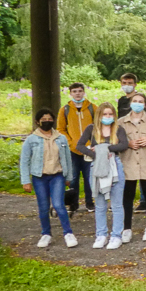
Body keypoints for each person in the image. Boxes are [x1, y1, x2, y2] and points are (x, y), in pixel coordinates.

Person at [19, 108, 78, 248]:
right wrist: (25, 180)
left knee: (58, 205)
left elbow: (68, 159)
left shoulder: (61, 138)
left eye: (49, 119)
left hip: (57, 176)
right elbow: (24, 160)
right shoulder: (31, 139)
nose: (47, 122)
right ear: (37, 121)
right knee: (44, 207)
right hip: (39, 177)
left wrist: (69, 176)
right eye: (43, 120)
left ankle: (68, 233)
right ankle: (46, 234)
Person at [76, 103, 128, 249]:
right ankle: (101, 234)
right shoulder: (91, 129)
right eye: (105, 114)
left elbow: (124, 145)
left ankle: (116, 235)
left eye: (110, 114)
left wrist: (105, 148)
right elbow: (79, 145)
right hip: (97, 166)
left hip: (114, 165)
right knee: (100, 204)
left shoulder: (118, 129)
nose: (107, 117)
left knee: (117, 204)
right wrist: (95, 153)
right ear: (99, 115)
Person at [118, 93, 146, 242]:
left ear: (145, 104)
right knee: (127, 197)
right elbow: (114, 143)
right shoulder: (121, 123)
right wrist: (127, 144)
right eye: (135, 101)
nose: (137, 103)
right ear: (130, 103)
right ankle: (126, 228)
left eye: (140, 101)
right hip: (128, 163)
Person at [57, 82, 96, 212]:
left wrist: (93, 143)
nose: (77, 93)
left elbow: (98, 127)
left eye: (80, 91)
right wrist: (70, 142)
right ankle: (73, 204)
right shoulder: (65, 109)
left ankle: (90, 203)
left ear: (84, 92)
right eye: (74, 91)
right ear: (70, 93)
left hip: (89, 149)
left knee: (89, 178)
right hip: (72, 150)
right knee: (73, 178)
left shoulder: (92, 108)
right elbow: (60, 129)